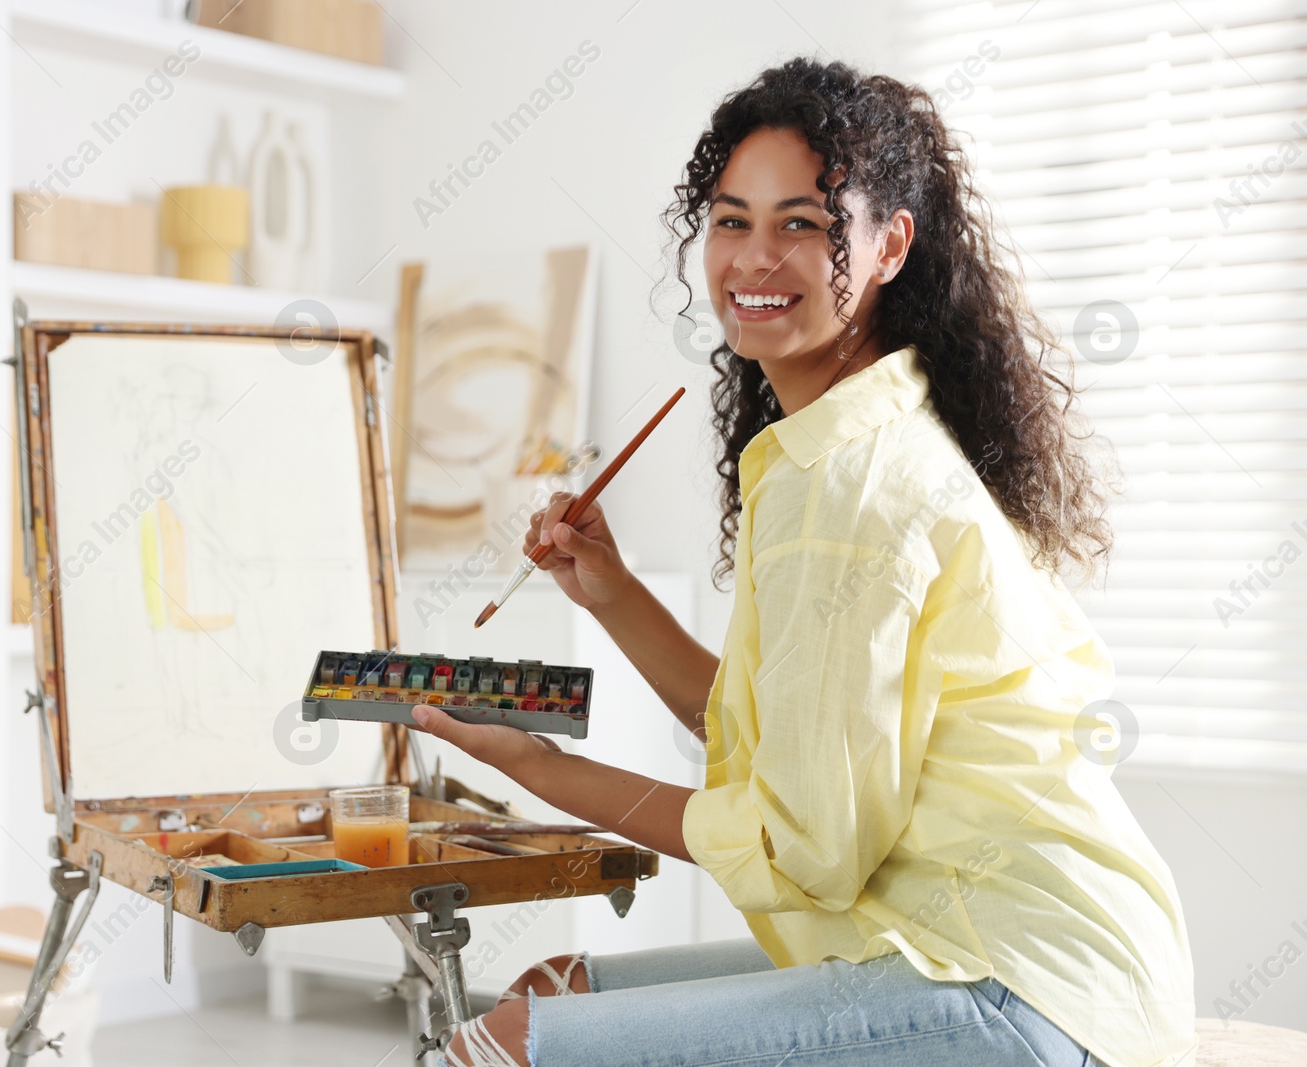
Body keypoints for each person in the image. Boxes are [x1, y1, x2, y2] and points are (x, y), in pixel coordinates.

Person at [406, 57, 1196, 1067]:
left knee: (511, 1042)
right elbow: (782, 738)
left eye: (802, 224)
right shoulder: (835, 446)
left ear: (887, 247)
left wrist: (543, 769)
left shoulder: (851, 485)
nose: (753, 258)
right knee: (551, 989)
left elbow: (802, 847)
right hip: (987, 955)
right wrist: (612, 595)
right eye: (731, 220)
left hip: (1020, 990)